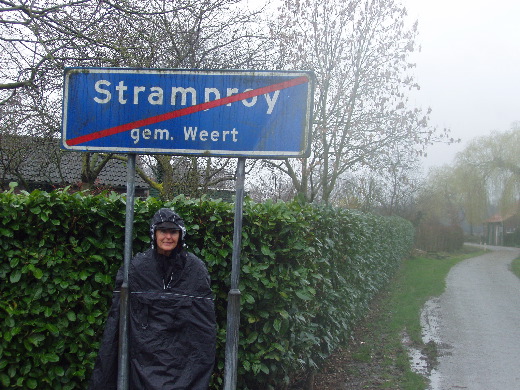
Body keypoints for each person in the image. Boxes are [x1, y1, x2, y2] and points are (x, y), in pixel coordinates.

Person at [89, 208, 217, 390]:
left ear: (181, 235)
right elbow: (118, 319)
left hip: (182, 358)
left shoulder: (195, 269)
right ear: (154, 234)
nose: (168, 237)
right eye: (163, 231)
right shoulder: (136, 268)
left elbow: (203, 326)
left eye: (173, 232)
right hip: (143, 358)